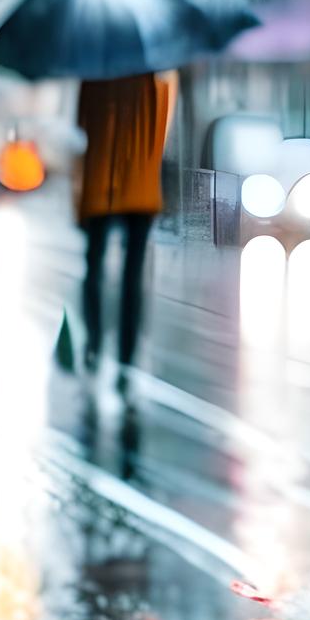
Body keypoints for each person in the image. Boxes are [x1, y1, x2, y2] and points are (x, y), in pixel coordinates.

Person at [76, 68, 176, 390]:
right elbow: (162, 131)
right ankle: (127, 355)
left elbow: (83, 125)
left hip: (101, 184)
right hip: (141, 188)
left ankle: (93, 342)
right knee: (132, 277)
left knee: (94, 267)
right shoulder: (156, 82)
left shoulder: (94, 76)